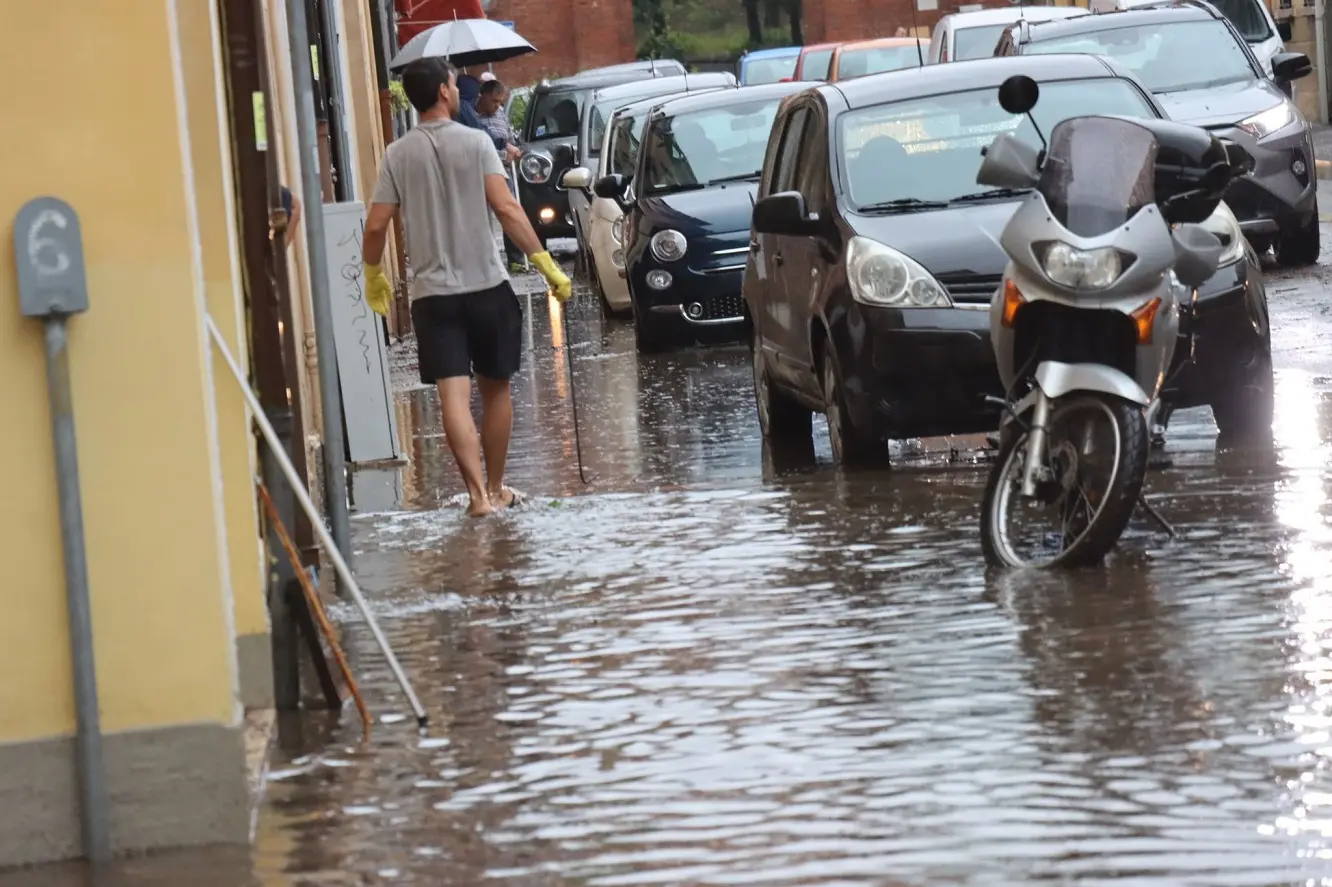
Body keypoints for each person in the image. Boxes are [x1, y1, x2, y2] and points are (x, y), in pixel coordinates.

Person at [361, 57, 571, 518]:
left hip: (432, 298)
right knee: (495, 392)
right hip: (486, 287)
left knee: (451, 398)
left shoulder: (396, 154)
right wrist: (546, 266)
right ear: (442, 92)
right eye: (455, 85)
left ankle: (476, 497)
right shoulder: (477, 143)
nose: (459, 91)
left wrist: (373, 273)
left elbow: (376, 226)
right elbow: (508, 210)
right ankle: (496, 489)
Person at [476, 78, 527, 270]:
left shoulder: (501, 115)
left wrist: (514, 152)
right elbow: (479, 148)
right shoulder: (471, 118)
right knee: (481, 216)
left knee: (510, 212)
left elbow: (510, 140)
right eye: (494, 101)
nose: (497, 106)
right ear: (483, 97)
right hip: (481, 172)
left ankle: (516, 260)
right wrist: (504, 154)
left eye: (500, 102)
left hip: (503, 172)